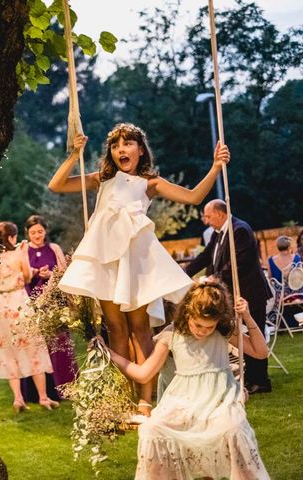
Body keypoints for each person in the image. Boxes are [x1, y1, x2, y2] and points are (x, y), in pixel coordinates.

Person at [48, 123, 230, 417]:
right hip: (106, 260)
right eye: (116, 145)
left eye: (128, 143)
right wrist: (73, 154)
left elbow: (194, 197)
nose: (121, 149)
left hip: (136, 263)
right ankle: (122, 399)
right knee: (116, 330)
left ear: (140, 149)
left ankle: (145, 402)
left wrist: (216, 167)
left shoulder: (150, 183)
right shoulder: (102, 180)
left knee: (140, 329)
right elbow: (56, 185)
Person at [99, 281, 269, 479]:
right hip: (183, 399)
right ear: (187, 313)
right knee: (152, 429)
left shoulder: (222, 331)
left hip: (219, 398)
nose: (202, 331)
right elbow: (143, 373)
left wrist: (247, 317)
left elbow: (260, 352)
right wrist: (108, 353)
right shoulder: (172, 334)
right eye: (198, 324)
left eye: (209, 327)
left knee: (233, 429)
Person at [186, 199, 272, 394]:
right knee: (241, 336)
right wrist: (183, 272)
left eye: (207, 216)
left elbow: (239, 262)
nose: (205, 221)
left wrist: (214, 278)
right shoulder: (219, 234)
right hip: (234, 295)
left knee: (253, 332)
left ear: (220, 213)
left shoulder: (240, 230)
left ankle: (261, 381)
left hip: (250, 292)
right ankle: (250, 378)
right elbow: (206, 257)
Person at [0, 221, 59, 411]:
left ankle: (18, 398)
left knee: (9, 353)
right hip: (18, 303)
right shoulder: (19, 252)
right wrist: (32, 272)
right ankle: (43, 397)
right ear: (11, 237)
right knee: (34, 349)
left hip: (0, 307)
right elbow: (26, 276)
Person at [20, 215, 78, 403]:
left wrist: (50, 274)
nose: (37, 235)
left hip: (53, 302)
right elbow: (19, 275)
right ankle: (37, 393)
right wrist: (35, 273)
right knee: (36, 347)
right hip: (31, 303)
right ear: (27, 233)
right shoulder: (23, 250)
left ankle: (66, 388)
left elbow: (64, 273)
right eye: (33, 232)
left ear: (46, 231)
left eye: (40, 231)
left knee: (59, 346)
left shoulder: (54, 249)